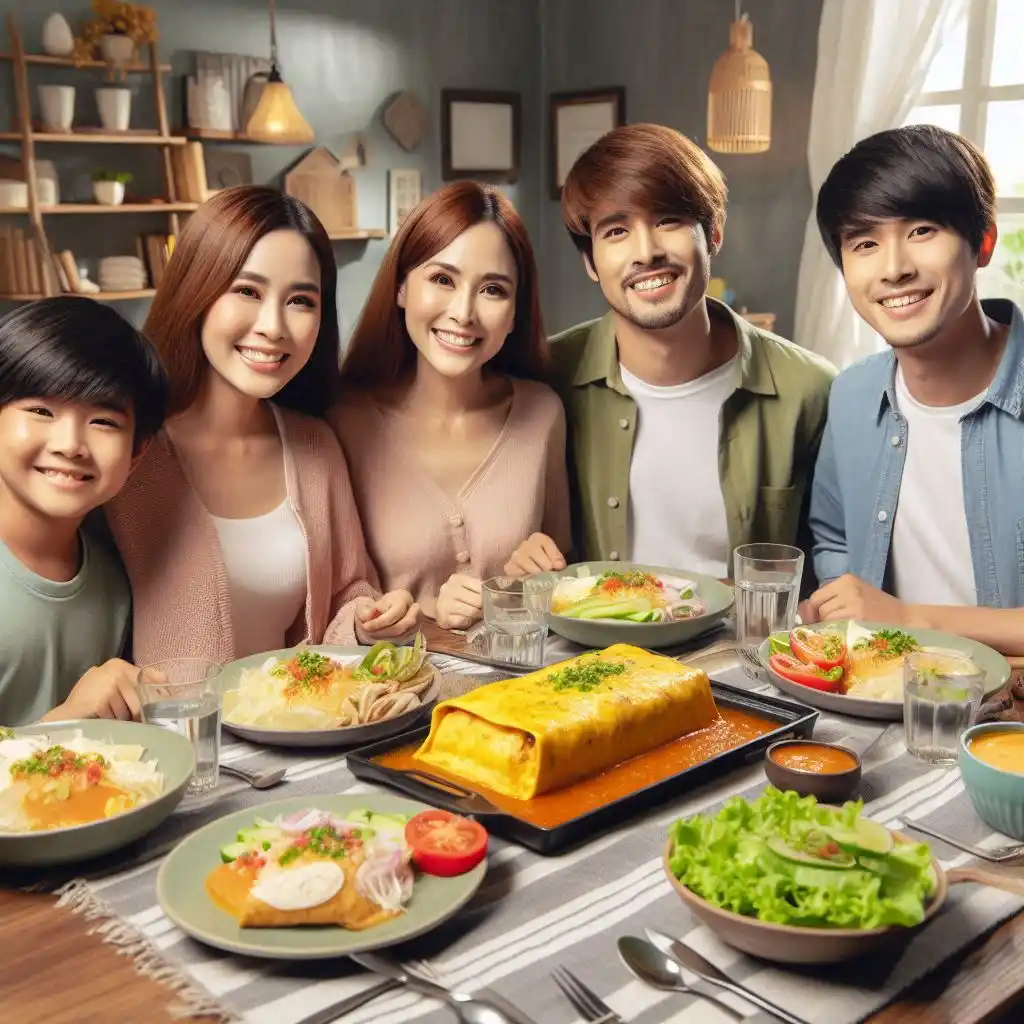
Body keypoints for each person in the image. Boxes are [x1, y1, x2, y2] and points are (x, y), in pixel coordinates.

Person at [506, 122, 835, 579]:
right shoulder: (544, 378)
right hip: (593, 649)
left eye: (668, 220)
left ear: (713, 233)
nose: (646, 252)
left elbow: (833, 567)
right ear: (590, 262)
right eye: (616, 232)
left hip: (744, 650)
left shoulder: (811, 390)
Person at [105, 186, 418, 665]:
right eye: (247, 291)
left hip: (293, 729)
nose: (274, 326)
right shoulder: (123, 450)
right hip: (158, 738)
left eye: (300, 301)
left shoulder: (314, 446)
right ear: (197, 292)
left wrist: (363, 620)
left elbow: (348, 591)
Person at [802, 124, 1024, 655]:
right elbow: (832, 539)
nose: (895, 268)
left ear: (983, 242)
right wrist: (836, 603)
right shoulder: (852, 395)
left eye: (922, 231)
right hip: (885, 698)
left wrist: (905, 618)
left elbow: (893, 615)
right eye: (865, 243)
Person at [330, 181, 570, 629]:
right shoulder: (343, 423)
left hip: (524, 693)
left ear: (516, 311)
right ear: (401, 287)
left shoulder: (542, 415)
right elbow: (333, 611)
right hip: (392, 694)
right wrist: (424, 615)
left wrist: (535, 581)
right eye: (442, 279)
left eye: (493, 290)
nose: (464, 312)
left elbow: (562, 592)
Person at [0, 296, 168, 724]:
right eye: (41, 410)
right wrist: (69, 718)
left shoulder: (113, 583)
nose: (70, 444)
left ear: (137, 452)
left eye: (104, 422)